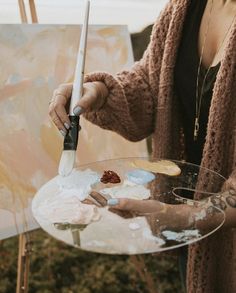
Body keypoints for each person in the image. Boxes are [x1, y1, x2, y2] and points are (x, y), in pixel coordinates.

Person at [49, 0, 236, 292]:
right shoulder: (181, 9)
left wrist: (178, 216)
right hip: (193, 243)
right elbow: (152, 85)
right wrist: (98, 92)